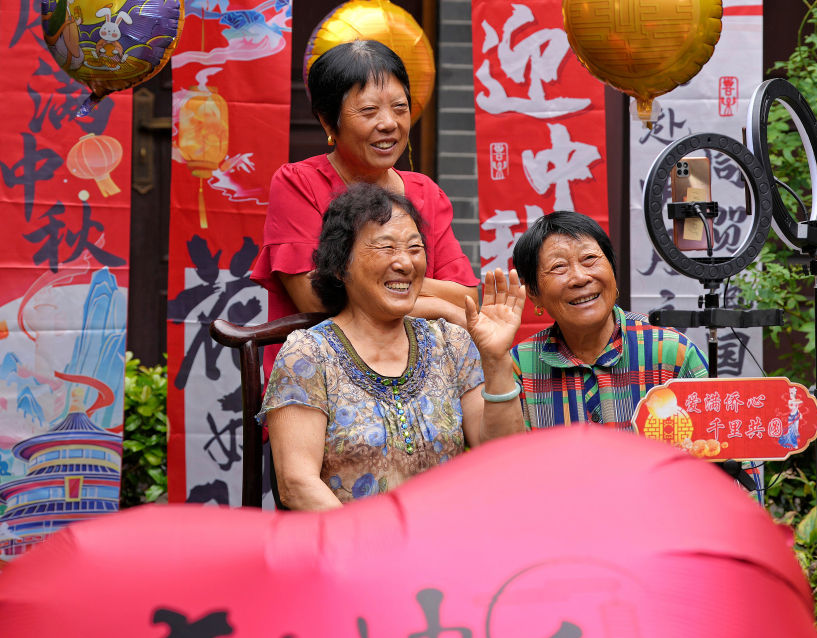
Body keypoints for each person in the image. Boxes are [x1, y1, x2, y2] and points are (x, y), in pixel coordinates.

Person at [258, 184, 525, 510]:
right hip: (350, 538)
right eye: (386, 248)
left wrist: (496, 358)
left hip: (446, 535)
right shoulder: (308, 354)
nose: (405, 263)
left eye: (415, 248)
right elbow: (297, 484)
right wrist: (370, 539)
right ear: (340, 266)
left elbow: (501, 455)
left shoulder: (450, 343)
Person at [250, 39, 478, 382]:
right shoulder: (298, 183)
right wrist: (438, 305)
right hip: (320, 381)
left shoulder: (426, 193)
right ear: (328, 123)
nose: (389, 123)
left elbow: (466, 297)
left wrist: (371, 284)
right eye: (369, 111)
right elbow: (315, 299)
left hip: (419, 385)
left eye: (399, 107)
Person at [510, 211, 709, 430]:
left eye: (589, 259)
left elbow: (720, 439)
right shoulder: (520, 366)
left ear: (612, 270)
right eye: (559, 267)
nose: (580, 278)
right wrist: (493, 359)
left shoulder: (671, 352)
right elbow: (502, 449)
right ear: (533, 293)